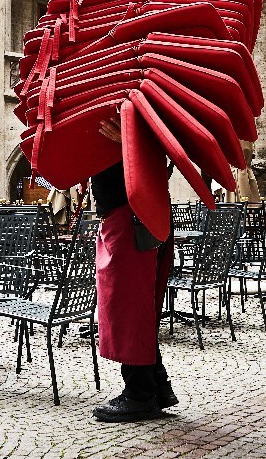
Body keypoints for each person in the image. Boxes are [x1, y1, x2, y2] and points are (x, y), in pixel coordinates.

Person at [90, 117, 178, 423]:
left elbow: (166, 145)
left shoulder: (136, 109)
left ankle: (140, 395)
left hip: (132, 216)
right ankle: (157, 384)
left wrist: (129, 141)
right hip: (128, 215)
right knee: (136, 305)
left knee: (128, 307)